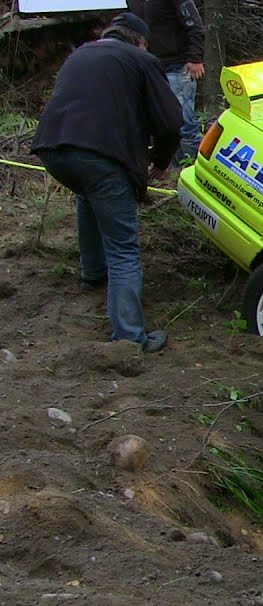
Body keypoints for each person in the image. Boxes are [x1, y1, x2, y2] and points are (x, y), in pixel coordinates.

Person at [32, 12, 182, 354]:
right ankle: (129, 338)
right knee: (124, 247)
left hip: (53, 149)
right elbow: (172, 122)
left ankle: (92, 274)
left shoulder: (81, 53)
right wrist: (159, 161)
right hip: (101, 155)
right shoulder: (142, 59)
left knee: (89, 194)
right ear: (140, 41)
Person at [128, 0, 206, 164]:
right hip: (149, 68)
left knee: (184, 124)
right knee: (159, 124)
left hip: (179, 66)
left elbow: (195, 25)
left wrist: (195, 57)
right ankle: (170, 168)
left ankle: (197, 167)